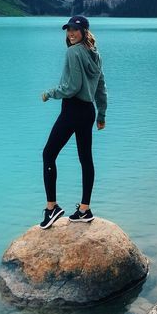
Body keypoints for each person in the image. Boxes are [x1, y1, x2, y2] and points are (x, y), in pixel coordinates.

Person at [39, 15, 107, 230]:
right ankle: (85, 209)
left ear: (84, 31)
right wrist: (101, 114)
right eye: (68, 30)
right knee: (85, 159)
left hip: (72, 110)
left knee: (48, 154)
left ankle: (52, 208)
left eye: (75, 30)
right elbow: (101, 87)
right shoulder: (94, 54)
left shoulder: (73, 52)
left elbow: (72, 87)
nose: (71, 33)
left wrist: (50, 93)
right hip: (87, 112)